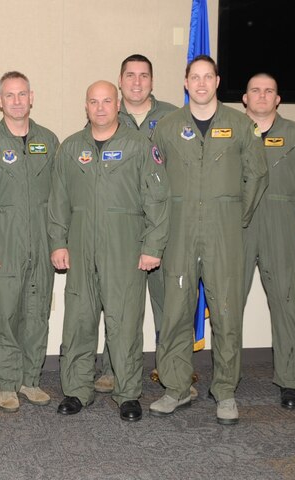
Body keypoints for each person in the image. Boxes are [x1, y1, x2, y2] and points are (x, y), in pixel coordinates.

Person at [151, 55, 268, 425]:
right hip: (180, 232)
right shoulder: (168, 127)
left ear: (218, 82)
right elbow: (154, 181)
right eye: (194, 77)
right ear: (185, 82)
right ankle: (175, 387)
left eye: (208, 77)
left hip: (223, 233)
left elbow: (257, 176)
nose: (201, 83)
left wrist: (236, 216)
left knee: (227, 312)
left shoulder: (239, 125)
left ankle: (226, 392)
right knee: (175, 312)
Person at [49, 80, 168, 421]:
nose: (100, 107)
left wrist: (152, 246)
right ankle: (75, 390)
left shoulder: (139, 146)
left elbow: (157, 201)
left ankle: (128, 393)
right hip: (81, 247)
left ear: (117, 104)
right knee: (79, 321)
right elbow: (58, 201)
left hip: (125, 249)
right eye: (93, 102)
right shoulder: (70, 148)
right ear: (85, 106)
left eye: (106, 101)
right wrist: (58, 241)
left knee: (125, 323)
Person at [0, 71, 59, 412]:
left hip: (43, 241)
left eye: (22, 94)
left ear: (31, 97)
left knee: (36, 314)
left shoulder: (49, 141)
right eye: (10, 95)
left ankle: (30, 380)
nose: (17, 101)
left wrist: (59, 241)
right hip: (4, 241)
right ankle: (6, 383)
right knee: (3, 316)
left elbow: (61, 197)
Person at [94, 54, 177, 394]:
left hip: (161, 225)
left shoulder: (172, 118)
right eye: (130, 75)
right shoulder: (107, 115)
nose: (137, 82)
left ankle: (172, 371)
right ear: (120, 80)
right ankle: (113, 369)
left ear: (152, 82)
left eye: (144, 76)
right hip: (120, 229)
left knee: (168, 304)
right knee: (118, 304)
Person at [241, 73, 295, 409]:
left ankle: (290, 380)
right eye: (255, 90)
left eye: (269, 91)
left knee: (287, 303)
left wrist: (288, 208)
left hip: (280, 224)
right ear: (244, 98)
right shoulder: (229, 131)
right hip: (238, 226)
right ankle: (226, 380)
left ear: (278, 99)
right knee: (228, 304)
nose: (262, 96)